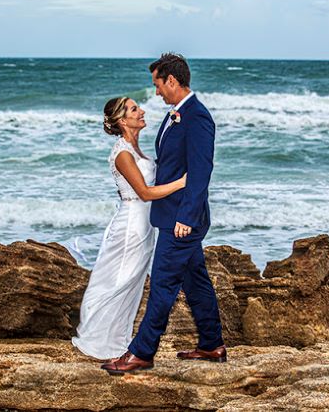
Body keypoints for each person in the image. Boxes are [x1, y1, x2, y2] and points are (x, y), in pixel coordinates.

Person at [101, 53, 225, 376]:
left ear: (171, 80)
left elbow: (201, 172)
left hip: (181, 222)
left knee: (162, 285)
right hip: (174, 217)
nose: (156, 92)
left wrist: (186, 217)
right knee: (195, 281)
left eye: (158, 84)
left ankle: (141, 353)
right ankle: (212, 344)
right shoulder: (176, 115)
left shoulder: (196, 116)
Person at [71, 96, 186, 360]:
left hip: (145, 226)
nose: (142, 111)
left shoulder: (138, 149)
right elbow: (144, 192)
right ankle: (100, 342)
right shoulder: (122, 153)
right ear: (123, 120)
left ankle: (118, 341)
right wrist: (182, 183)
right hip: (130, 225)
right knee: (118, 281)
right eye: (135, 109)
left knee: (132, 283)